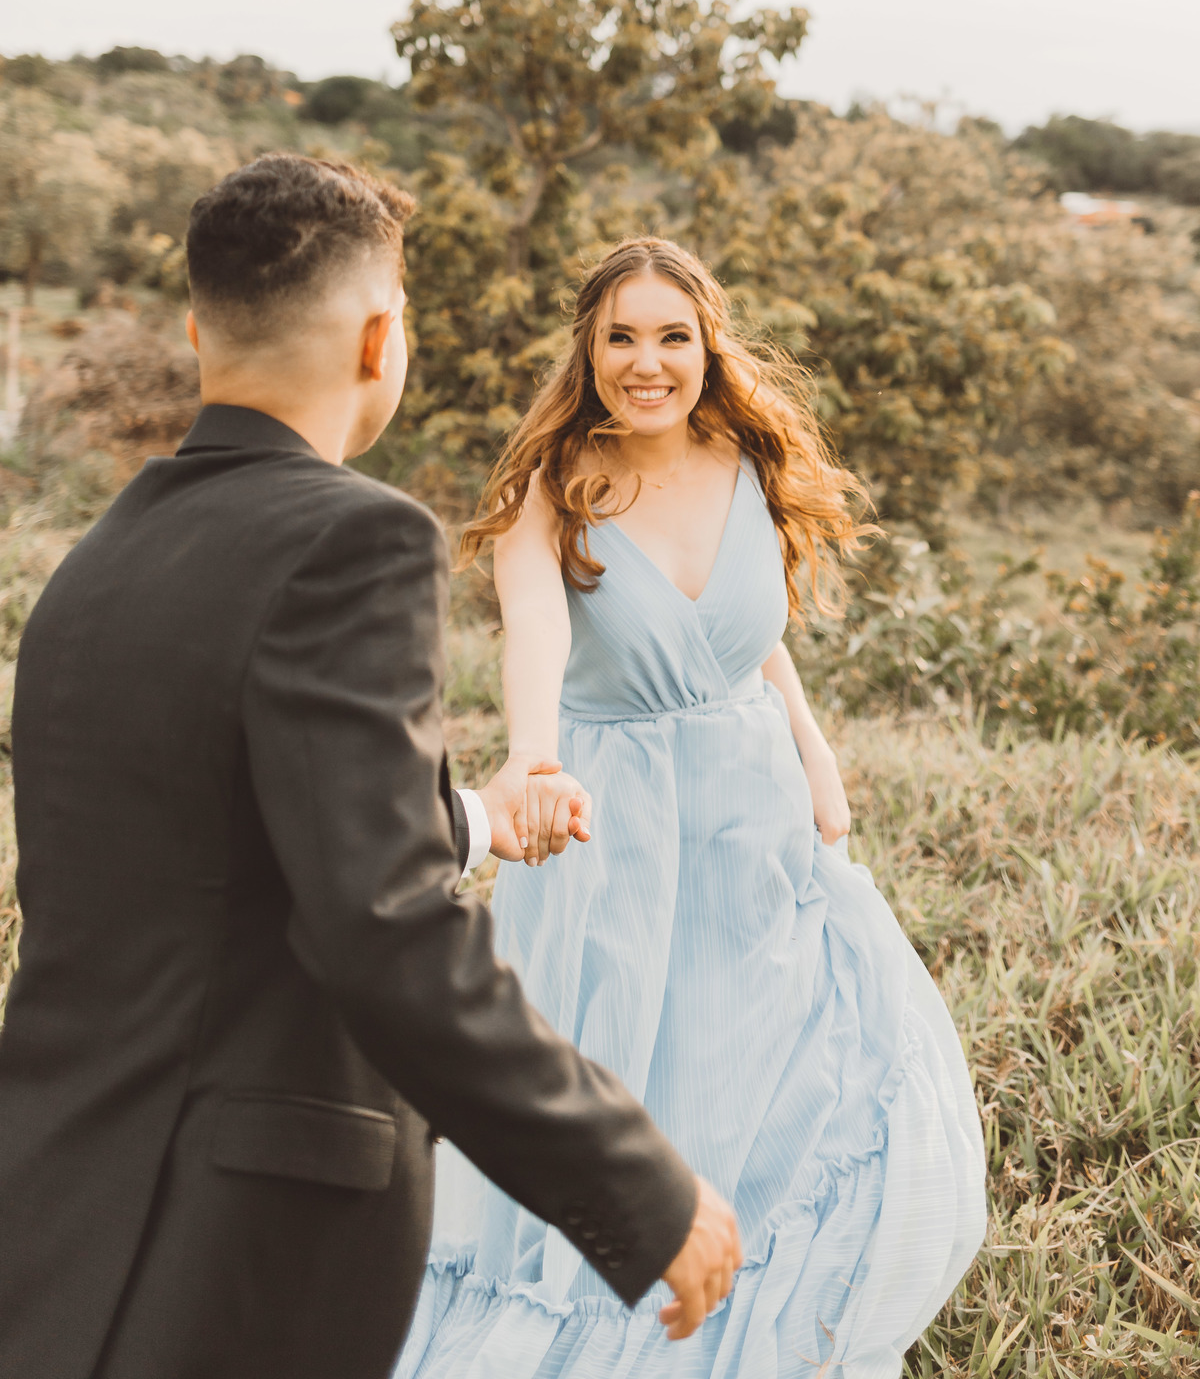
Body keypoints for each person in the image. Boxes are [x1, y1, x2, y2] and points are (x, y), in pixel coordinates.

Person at [0, 162, 741, 1379]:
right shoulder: (358, 537)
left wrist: (473, 819)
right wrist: (638, 1184)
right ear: (383, 337)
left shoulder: (94, 568)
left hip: (59, 1218)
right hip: (235, 1246)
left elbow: (224, 846)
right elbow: (383, 924)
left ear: (197, 331)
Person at [398, 237, 987, 1378]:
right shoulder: (549, 490)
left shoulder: (745, 462)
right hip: (610, 825)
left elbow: (755, 636)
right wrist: (533, 761)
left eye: (673, 336)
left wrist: (812, 747)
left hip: (750, 806)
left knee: (776, 1057)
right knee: (627, 1075)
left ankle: (749, 1309)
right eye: (622, 336)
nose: (647, 362)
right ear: (589, 346)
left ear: (708, 345)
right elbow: (537, 634)